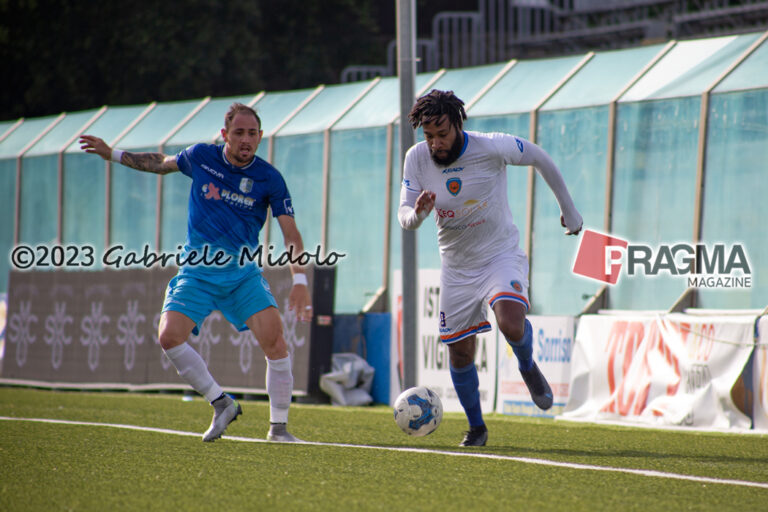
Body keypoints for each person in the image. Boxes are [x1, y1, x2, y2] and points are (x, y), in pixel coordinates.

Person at [79, 103, 312, 443]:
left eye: (252, 134)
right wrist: (111, 154)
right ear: (225, 135)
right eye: (239, 133)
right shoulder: (201, 156)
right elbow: (160, 163)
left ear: (260, 137)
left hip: (242, 276)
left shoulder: (270, 178)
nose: (246, 140)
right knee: (168, 336)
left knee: (275, 343)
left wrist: (300, 281)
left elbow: (291, 234)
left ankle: (278, 429)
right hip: (197, 273)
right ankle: (221, 403)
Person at [398, 90, 583, 447]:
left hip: (500, 255)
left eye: (442, 134)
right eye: (429, 136)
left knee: (511, 324)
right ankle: (477, 428)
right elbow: (404, 215)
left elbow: (540, 157)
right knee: (460, 352)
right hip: (456, 267)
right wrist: (417, 215)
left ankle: (528, 366)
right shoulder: (416, 159)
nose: (435, 143)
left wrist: (569, 210)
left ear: (458, 124)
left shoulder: (491, 147)